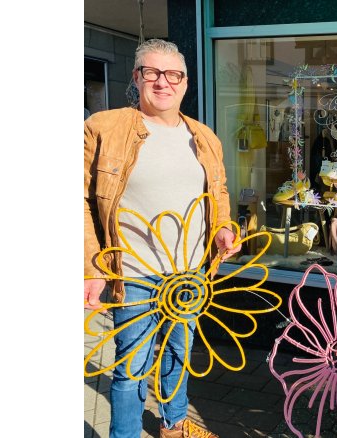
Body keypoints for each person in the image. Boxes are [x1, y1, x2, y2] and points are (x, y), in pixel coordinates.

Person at [84, 39, 240, 438]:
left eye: (173, 75)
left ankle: (175, 425)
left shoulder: (204, 136)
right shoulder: (104, 128)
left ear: (185, 83)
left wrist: (224, 228)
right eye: (152, 72)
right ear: (137, 77)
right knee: (130, 367)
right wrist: (90, 268)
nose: (162, 82)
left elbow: (218, 193)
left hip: (189, 273)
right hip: (135, 273)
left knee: (178, 356)